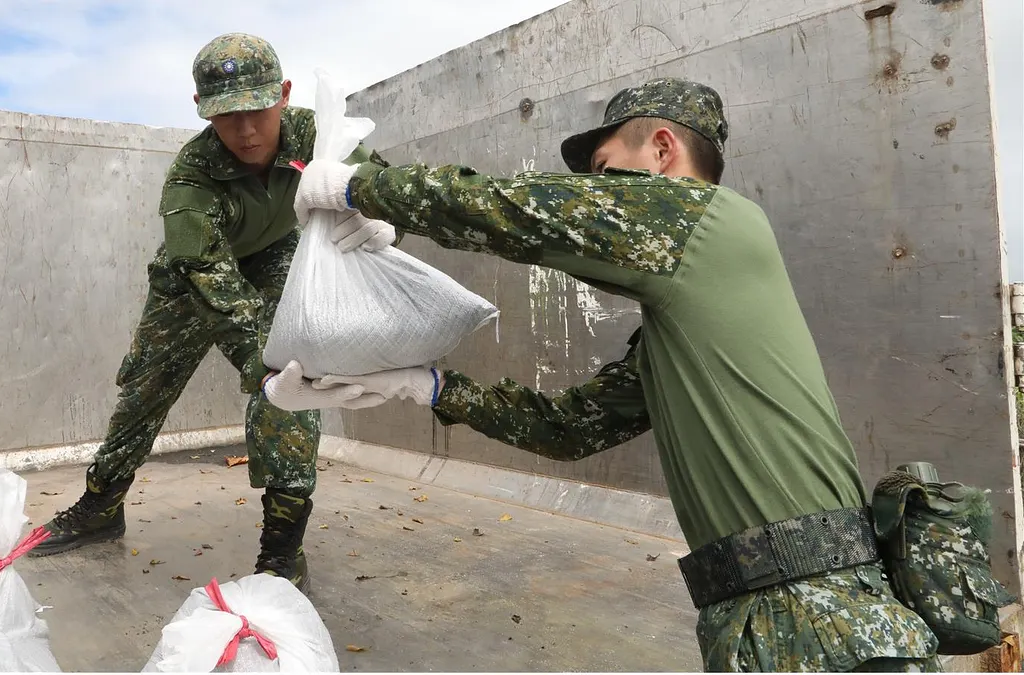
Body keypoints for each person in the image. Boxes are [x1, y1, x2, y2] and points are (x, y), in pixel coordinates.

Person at [273, 78, 942, 671]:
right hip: (782, 616)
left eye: (603, 173)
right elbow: (568, 429)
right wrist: (429, 386)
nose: (594, 193)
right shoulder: (685, 315)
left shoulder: (710, 220)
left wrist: (360, 186)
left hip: (822, 622)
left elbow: (525, 209)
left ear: (661, 149)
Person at [28, 33, 395, 593]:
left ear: (284, 94)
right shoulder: (191, 174)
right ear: (201, 110)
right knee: (146, 390)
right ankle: (101, 505)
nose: (246, 131)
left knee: (292, 378)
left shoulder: (320, 136)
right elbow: (204, 268)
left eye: (257, 110)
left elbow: (382, 182)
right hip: (194, 277)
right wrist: (257, 354)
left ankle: (282, 552)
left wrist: (382, 216)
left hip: (273, 257)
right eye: (228, 117)